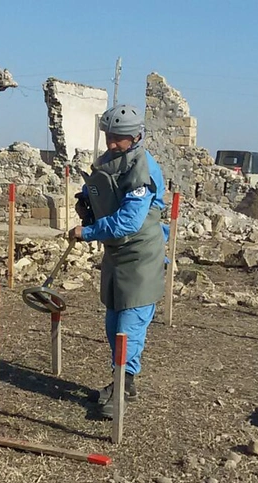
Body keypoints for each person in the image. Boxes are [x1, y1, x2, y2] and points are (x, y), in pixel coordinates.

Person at [69, 104, 167, 419]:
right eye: (109, 136)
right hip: (116, 255)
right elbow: (101, 185)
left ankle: (123, 386)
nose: (112, 143)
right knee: (113, 323)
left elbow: (128, 222)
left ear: (136, 136)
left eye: (119, 138)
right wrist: (87, 199)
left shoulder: (143, 170)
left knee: (129, 326)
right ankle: (122, 380)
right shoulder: (112, 159)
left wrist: (87, 231)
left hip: (140, 257)